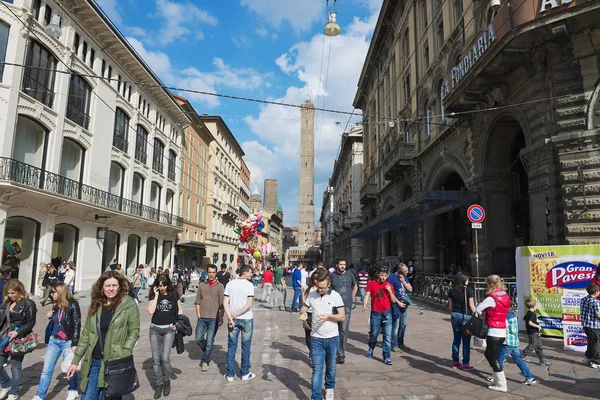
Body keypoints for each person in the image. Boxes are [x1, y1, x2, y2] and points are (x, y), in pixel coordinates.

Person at [67, 271, 140, 400]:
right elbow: (86, 334)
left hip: (115, 362)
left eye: (114, 285)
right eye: (107, 285)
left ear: (119, 286)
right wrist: (75, 361)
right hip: (94, 361)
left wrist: (125, 351)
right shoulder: (96, 304)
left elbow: (134, 331)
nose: (111, 289)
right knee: (87, 397)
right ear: (101, 287)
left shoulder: (128, 304)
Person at [300, 269, 345, 400]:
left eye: (322, 287)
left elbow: (341, 316)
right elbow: (304, 307)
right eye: (317, 287)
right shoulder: (312, 294)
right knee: (317, 370)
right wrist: (302, 312)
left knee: (331, 368)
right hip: (316, 339)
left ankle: (330, 387)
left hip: (332, 338)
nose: (319, 290)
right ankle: (316, 397)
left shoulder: (335, 296)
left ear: (329, 284)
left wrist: (329, 316)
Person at [33, 283, 81, 400]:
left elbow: (77, 325)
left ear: (60, 292)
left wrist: (75, 343)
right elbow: (58, 319)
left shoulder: (73, 304)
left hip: (67, 341)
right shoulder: (56, 304)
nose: (51, 294)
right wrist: (51, 315)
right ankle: (40, 395)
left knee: (69, 367)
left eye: (53, 292)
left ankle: (73, 389)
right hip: (54, 340)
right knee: (46, 369)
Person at [0, 280, 37, 400]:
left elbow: (31, 322)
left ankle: (14, 391)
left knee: (15, 366)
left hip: (18, 338)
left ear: (19, 291)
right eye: (9, 293)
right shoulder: (6, 302)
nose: (11, 295)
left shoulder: (28, 303)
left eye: (13, 293)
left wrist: (17, 332)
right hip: (4, 336)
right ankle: (6, 385)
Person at [147, 273, 182, 399]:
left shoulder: (174, 294)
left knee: (165, 358)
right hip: (155, 329)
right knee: (156, 360)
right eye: (160, 285)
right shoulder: (153, 294)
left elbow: (180, 310)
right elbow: (150, 311)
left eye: (164, 285)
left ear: (168, 284)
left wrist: (177, 324)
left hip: (169, 329)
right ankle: (158, 385)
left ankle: (166, 381)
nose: (162, 288)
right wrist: (156, 296)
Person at [475, 274, 511, 392]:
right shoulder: (505, 296)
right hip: (502, 331)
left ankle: (501, 384)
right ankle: (496, 380)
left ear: (490, 284)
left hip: (493, 331)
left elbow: (478, 309)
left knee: (493, 358)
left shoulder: (491, 298)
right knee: (490, 355)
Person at [363, 267, 404, 366]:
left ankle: (386, 356)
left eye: (385, 275)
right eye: (382, 275)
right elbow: (367, 295)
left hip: (387, 313)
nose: (383, 277)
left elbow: (393, 300)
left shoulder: (389, 285)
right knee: (374, 334)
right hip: (375, 313)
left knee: (387, 336)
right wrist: (364, 305)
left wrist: (389, 291)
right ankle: (371, 347)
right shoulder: (372, 283)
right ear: (378, 274)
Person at [223, 265, 255, 381]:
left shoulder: (230, 284)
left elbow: (225, 303)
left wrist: (231, 318)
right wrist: (236, 315)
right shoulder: (249, 285)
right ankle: (245, 373)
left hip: (233, 320)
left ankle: (230, 374)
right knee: (246, 346)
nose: (251, 275)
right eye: (250, 272)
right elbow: (249, 304)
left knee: (231, 347)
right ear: (244, 272)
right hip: (246, 319)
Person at [195, 265, 224, 372]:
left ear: (216, 273)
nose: (211, 274)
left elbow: (222, 305)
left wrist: (221, 317)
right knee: (198, 339)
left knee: (210, 341)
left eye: (213, 272)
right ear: (207, 273)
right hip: (202, 317)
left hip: (214, 318)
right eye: (210, 272)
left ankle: (205, 361)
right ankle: (207, 349)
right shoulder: (202, 286)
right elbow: (197, 302)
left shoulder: (220, 286)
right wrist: (198, 315)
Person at [496, 309, 536, 385]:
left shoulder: (505, 315)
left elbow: (505, 329)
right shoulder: (512, 314)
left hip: (508, 342)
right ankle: (530, 378)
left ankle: (498, 377)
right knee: (518, 360)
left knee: (499, 359)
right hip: (514, 341)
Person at [329, 258, 357, 364]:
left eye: (344, 264)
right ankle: (333, 351)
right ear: (337, 265)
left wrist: (352, 297)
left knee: (343, 330)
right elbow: (328, 288)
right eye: (340, 264)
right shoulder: (332, 276)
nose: (342, 266)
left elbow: (355, 286)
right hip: (334, 307)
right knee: (333, 329)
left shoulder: (350, 275)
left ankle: (340, 354)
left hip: (346, 307)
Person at [447, 272, 476, 370]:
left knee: (456, 339)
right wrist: (476, 313)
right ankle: (465, 364)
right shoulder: (468, 290)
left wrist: (453, 313)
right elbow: (471, 305)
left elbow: (450, 305)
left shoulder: (451, 290)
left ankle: (455, 362)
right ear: (464, 280)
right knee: (466, 341)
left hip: (455, 315)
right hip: (465, 316)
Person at [386, 263, 412, 352]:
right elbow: (390, 293)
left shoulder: (404, 277)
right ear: (399, 270)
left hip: (404, 304)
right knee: (395, 325)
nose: (407, 272)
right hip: (395, 305)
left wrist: (403, 281)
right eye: (405, 271)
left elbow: (410, 289)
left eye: (407, 270)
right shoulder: (391, 278)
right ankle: (394, 344)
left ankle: (401, 343)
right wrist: (398, 302)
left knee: (403, 324)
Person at [521, 298, 551, 366]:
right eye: (536, 305)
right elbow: (530, 322)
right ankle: (521, 355)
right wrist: (538, 326)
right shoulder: (532, 314)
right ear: (533, 306)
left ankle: (542, 360)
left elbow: (525, 319)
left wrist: (535, 322)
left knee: (539, 347)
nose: (536, 306)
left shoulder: (528, 313)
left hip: (534, 333)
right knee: (532, 346)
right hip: (533, 333)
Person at [580, 283, 600, 368]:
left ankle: (588, 357)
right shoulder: (596, 302)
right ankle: (596, 361)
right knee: (596, 344)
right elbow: (598, 315)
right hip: (594, 326)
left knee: (591, 342)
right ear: (596, 292)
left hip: (586, 325)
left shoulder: (584, 299)